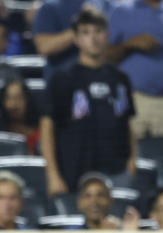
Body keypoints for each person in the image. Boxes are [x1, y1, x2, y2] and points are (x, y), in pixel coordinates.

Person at [42, 7, 136, 197]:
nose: (93, 38)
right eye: (85, 33)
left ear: (107, 35)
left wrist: (132, 161)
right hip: (74, 172)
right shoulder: (62, 79)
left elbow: (128, 123)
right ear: (76, 39)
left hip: (116, 171)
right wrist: (52, 174)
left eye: (98, 32)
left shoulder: (120, 78)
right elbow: (47, 127)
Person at [106, 0, 163, 138]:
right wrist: (130, 44)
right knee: (129, 155)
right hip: (135, 99)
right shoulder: (122, 11)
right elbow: (105, 55)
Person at [33, 0, 91, 81]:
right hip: (61, 81)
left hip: (98, 78)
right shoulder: (50, 7)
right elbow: (44, 47)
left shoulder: (103, 4)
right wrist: (81, 24)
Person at [72, 172, 140, 230]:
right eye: (88, 196)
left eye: (100, 195)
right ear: (79, 202)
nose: (94, 201)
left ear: (110, 200)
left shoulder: (122, 231)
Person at [0, 78, 41, 154]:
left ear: (28, 100)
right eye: (8, 98)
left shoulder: (41, 133)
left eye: (19, 98)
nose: (14, 104)